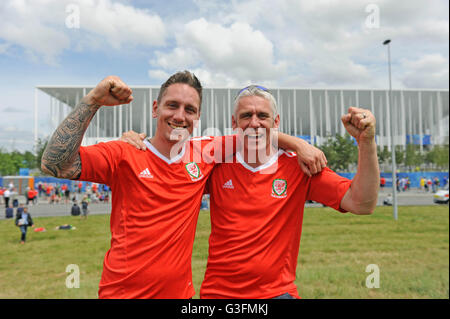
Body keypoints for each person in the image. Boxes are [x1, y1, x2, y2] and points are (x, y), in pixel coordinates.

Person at [41, 73, 326, 299]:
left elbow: (255, 132)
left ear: (197, 117)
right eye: (172, 106)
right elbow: (55, 164)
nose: (180, 116)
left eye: (190, 109)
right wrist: (93, 101)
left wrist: (298, 144)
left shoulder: (205, 154)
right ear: (155, 108)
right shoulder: (124, 153)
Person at [122, 85, 379, 299]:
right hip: (218, 295)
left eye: (262, 116)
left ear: (275, 122)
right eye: (246, 116)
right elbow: (165, 155)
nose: (254, 122)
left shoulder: (299, 166)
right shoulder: (213, 161)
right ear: (234, 122)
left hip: (277, 294)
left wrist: (366, 143)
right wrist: (135, 143)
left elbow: (361, 203)